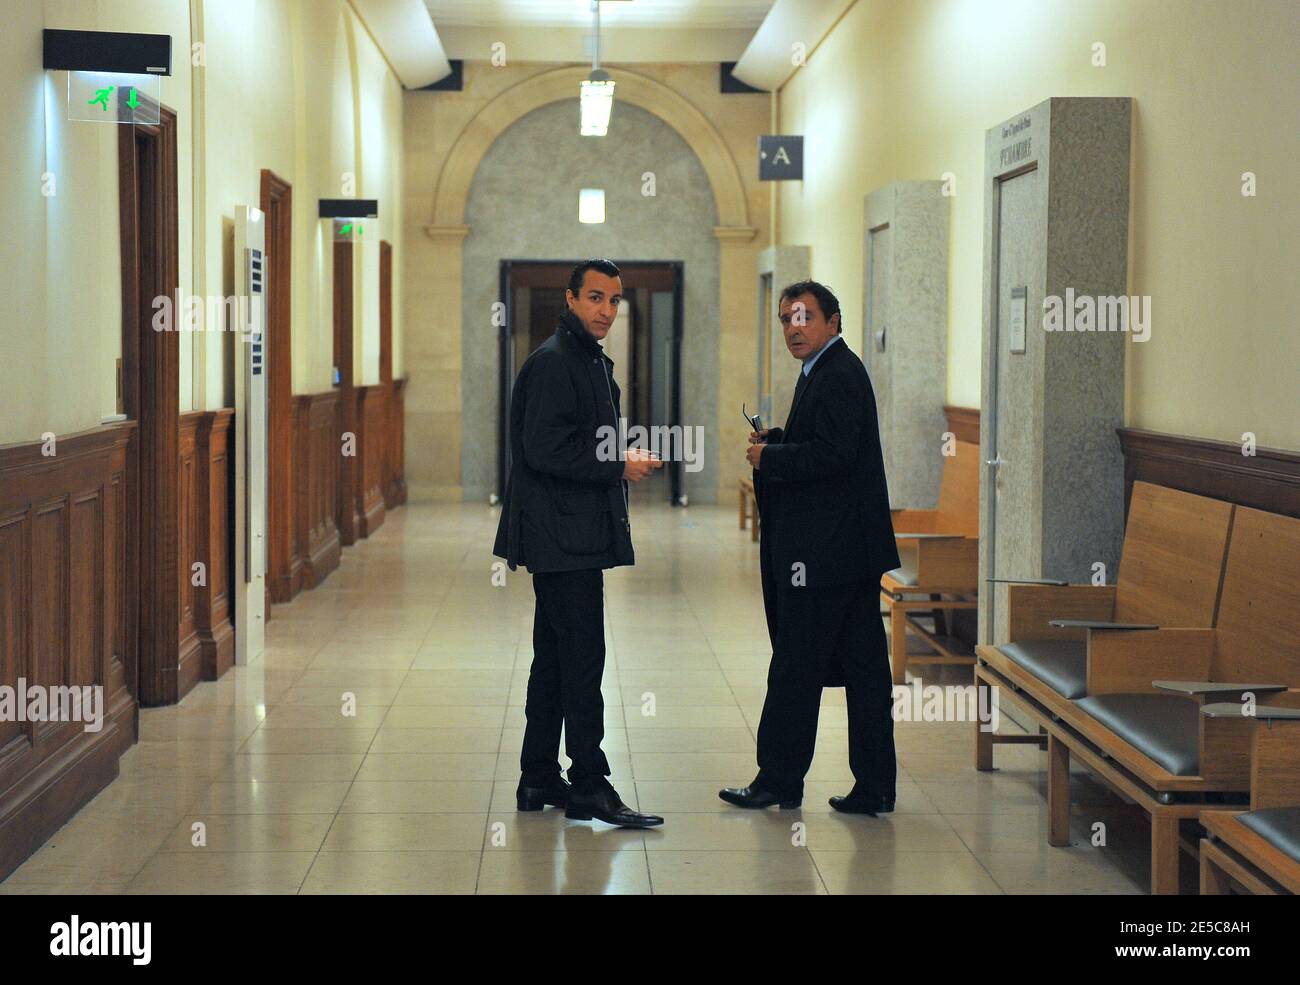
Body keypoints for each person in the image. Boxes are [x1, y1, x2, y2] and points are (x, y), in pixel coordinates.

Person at [493, 258, 665, 829]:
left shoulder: (584, 357)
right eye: (595, 297)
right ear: (570, 298)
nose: (606, 310)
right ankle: (590, 782)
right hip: (560, 534)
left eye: (614, 301)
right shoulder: (555, 362)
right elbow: (544, 451)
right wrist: (618, 464)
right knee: (583, 655)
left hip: (570, 530)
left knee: (556, 658)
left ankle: (539, 773)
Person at [720, 280, 901, 814]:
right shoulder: (823, 369)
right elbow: (824, 445)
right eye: (785, 319)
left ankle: (778, 779)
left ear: (833, 321)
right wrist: (779, 440)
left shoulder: (839, 374)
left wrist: (770, 460)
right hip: (847, 553)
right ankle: (874, 785)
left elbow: (835, 457)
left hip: (825, 557)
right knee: (865, 670)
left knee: (796, 666)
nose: (793, 328)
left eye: (804, 317)